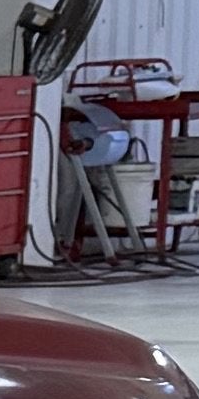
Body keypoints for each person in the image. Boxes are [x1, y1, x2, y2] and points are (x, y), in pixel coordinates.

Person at [62, 73, 151, 264]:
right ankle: (64, 241)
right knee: (70, 187)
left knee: (74, 187)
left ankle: (66, 241)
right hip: (82, 142)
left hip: (88, 141)